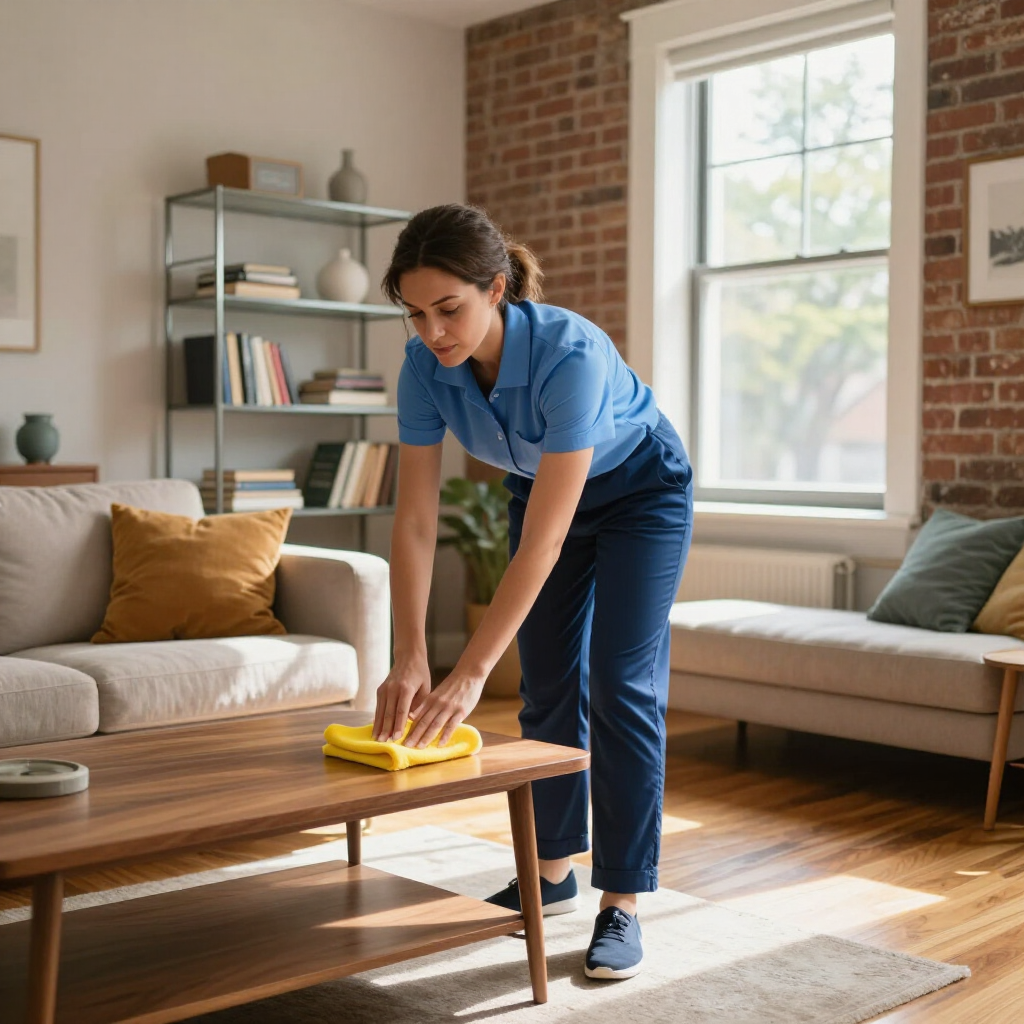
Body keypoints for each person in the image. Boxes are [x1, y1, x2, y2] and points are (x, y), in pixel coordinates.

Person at [371, 203, 692, 981]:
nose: (434, 331)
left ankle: (623, 900)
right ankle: (551, 873)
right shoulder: (424, 370)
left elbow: (547, 540)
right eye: (416, 314)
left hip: (639, 494)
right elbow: (415, 520)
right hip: (539, 491)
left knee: (620, 683)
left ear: (497, 288)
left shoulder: (569, 354)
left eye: (449, 309)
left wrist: (472, 670)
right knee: (549, 684)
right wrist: (410, 656)